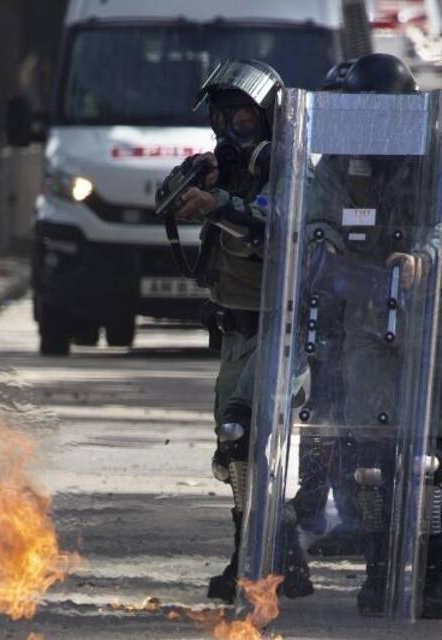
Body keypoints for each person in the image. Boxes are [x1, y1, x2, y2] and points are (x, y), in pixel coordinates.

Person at [156, 58, 312, 603]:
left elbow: (271, 224)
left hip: (282, 326)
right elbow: (167, 202)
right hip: (236, 327)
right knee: (232, 450)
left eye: (242, 118)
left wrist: (221, 204)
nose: (230, 131)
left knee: (243, 433)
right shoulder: (231, 169)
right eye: (222, 119)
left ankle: (254, 561)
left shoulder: (289, 168)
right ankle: (278, 557)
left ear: (268, 118)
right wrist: (194, 181)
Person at [295, 52, 441, 617]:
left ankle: (433, 568)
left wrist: (422, 257)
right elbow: (317, 212)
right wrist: (324, 243)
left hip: (428, 317)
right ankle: (381, 564)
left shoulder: (433, 154)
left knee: (431, 452)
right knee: (370, 450)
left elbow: (439, 221)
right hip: (363, 314)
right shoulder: (340, 157)